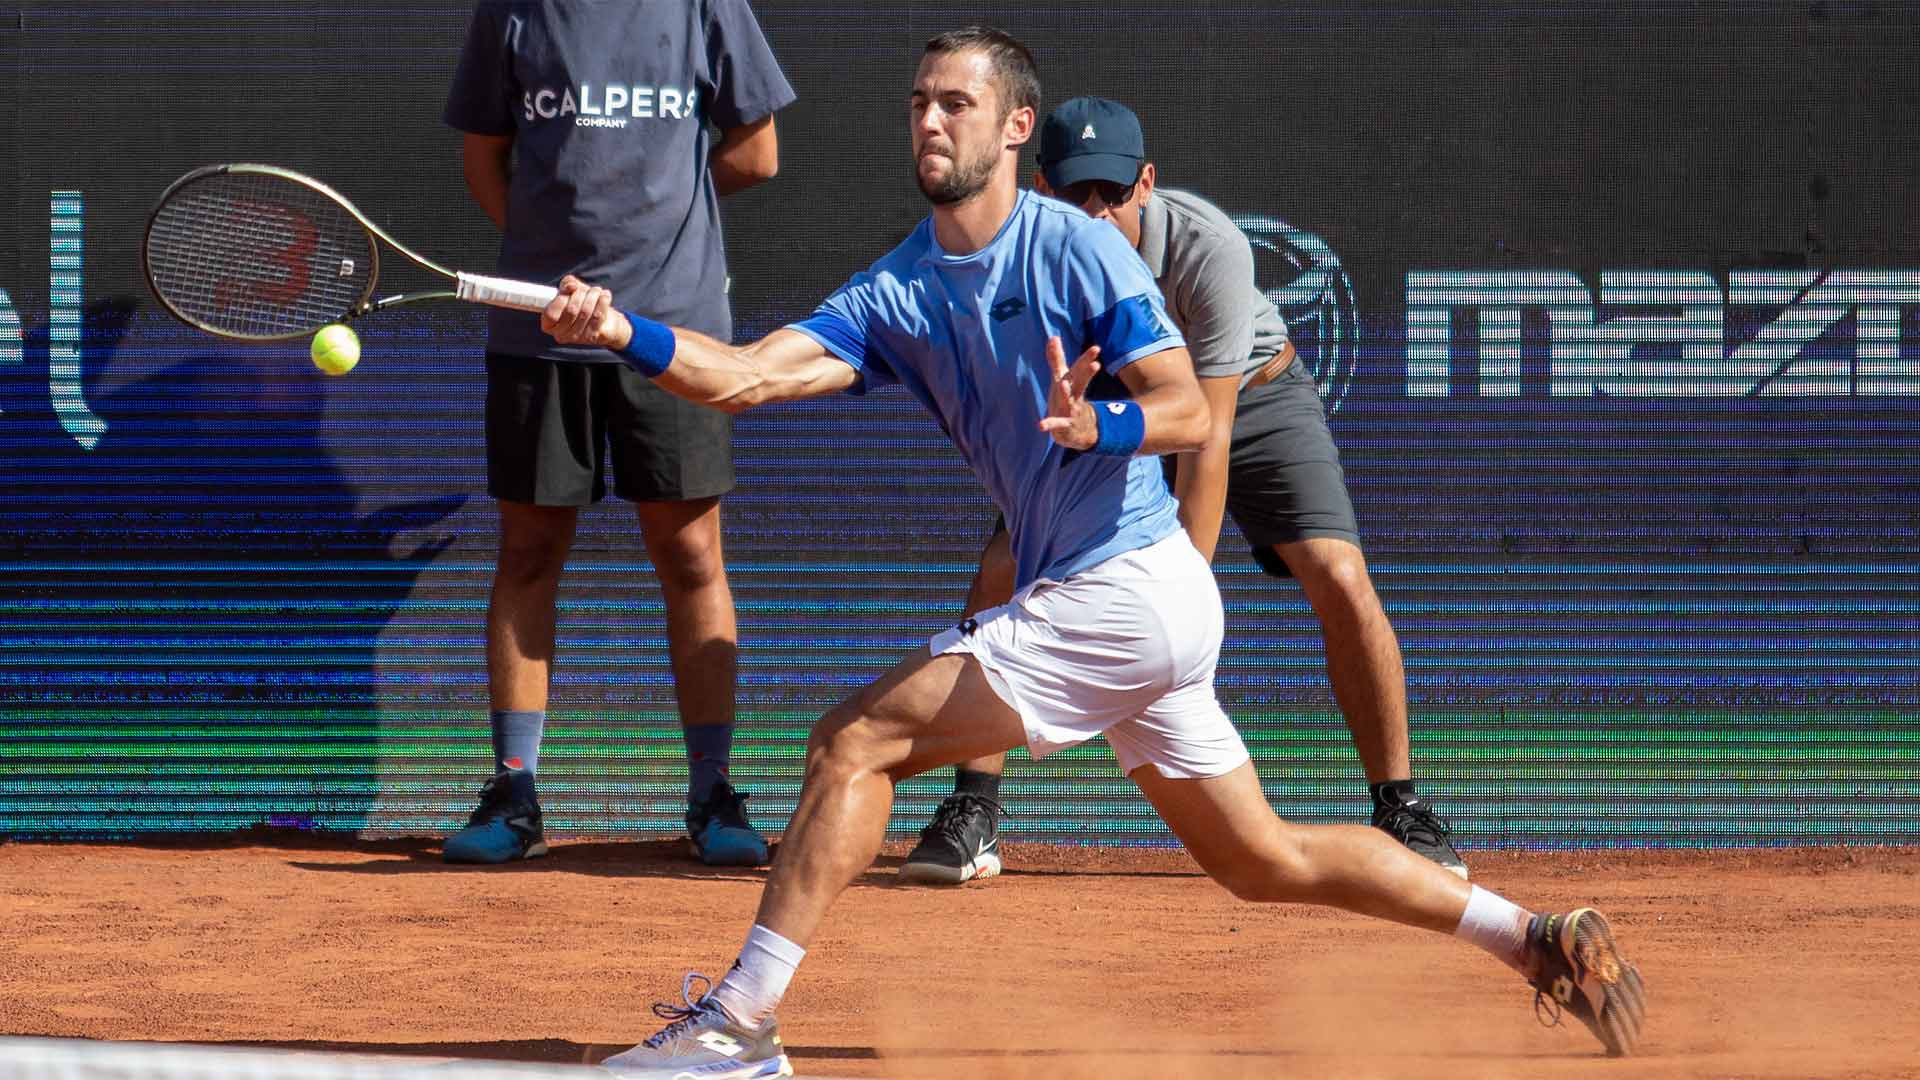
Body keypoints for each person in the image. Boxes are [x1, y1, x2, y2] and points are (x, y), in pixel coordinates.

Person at [540, 27, 1645, 1077]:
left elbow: (1187, 412)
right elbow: (745, 375)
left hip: (1123, 584)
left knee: (852, 744)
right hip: (1122, 605)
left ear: (1015, 127)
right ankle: (1533, 936)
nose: (929, 120)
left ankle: (738, 1023)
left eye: (955, 103)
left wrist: (1099, 423)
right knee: (1264, 861)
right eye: (918, 102)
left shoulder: (1071, 244)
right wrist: (621, 331)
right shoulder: (900, 284)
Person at [900, 96, 1468, 886]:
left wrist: (1180, 589)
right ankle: (972, 811)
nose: (1094, 212)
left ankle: (1400, 805)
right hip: (1113, 410)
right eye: (1073, 194)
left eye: (1111, 192)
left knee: (1339, 572)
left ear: (1146, 183)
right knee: (1004, 566)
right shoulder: (1029, 251)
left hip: (1248, 400)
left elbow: (1208, 430)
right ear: (1040, 186)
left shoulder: (1209, 246)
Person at [439, 0, 796, 866]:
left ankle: (712, 792)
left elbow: (756, 153)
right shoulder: (513, 11)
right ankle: (515, 792)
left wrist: (661, 214)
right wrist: (540, 267)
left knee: (691, 557)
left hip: (673, 331)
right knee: (528, 552)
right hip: (541, 332)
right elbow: (485, 155)